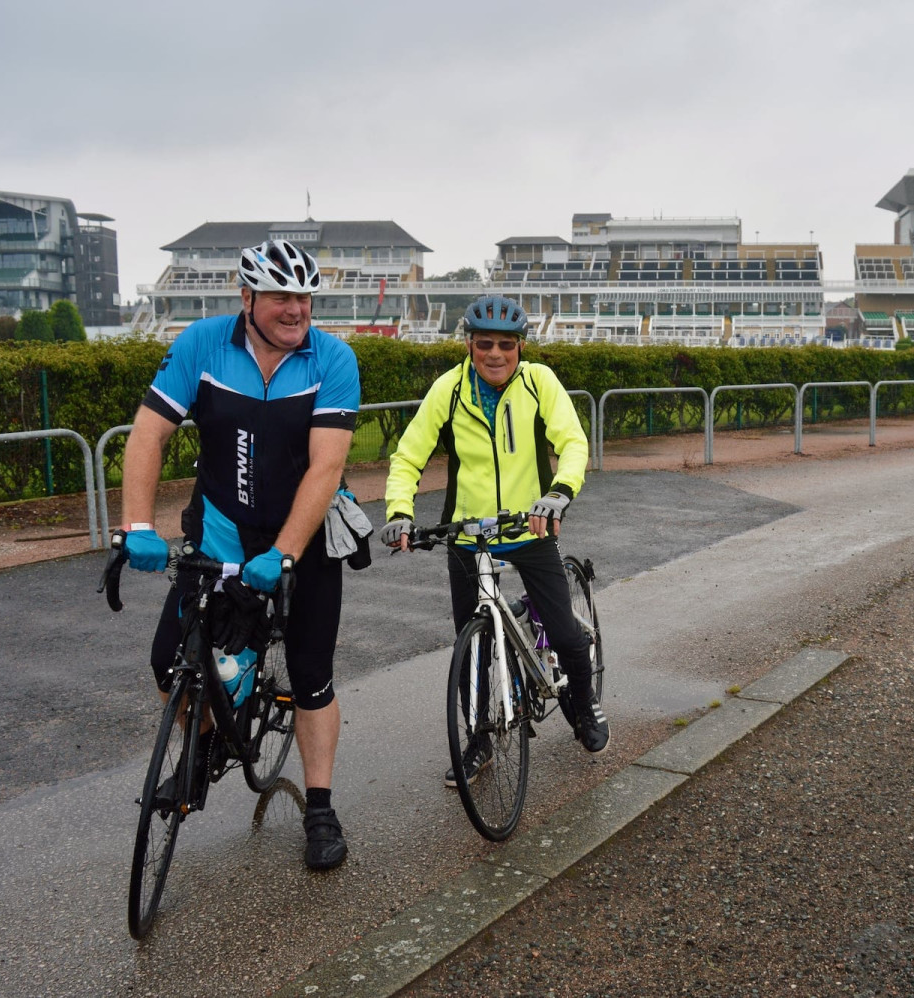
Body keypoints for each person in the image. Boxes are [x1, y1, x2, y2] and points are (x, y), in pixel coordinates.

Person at [118, 239, 360, 870]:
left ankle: (319, 806)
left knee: (311, 676)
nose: (295, 308)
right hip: (220, 532)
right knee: (170, 661)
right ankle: (199, 759)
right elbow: (150, 432)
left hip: (301, 540)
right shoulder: (202, 344)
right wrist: (137, 525)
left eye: (304, 296)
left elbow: (327, 467)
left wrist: (282, 552)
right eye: (281, 295)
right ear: (247, 298)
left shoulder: (332, 358)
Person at [380, 294, 606, 785]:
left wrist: (559, 493)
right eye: (486, 344)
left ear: (520, 346)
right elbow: (408, 457)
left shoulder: (538, 381)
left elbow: (572, 442)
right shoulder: (449, 389)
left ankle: (585, 708)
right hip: (468, 535)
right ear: (469, 344)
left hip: (531, 526)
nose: (496, 354)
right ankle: (478, 739)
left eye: (507, 344)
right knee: (471, 645)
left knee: (567, 634)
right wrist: (399, 512)